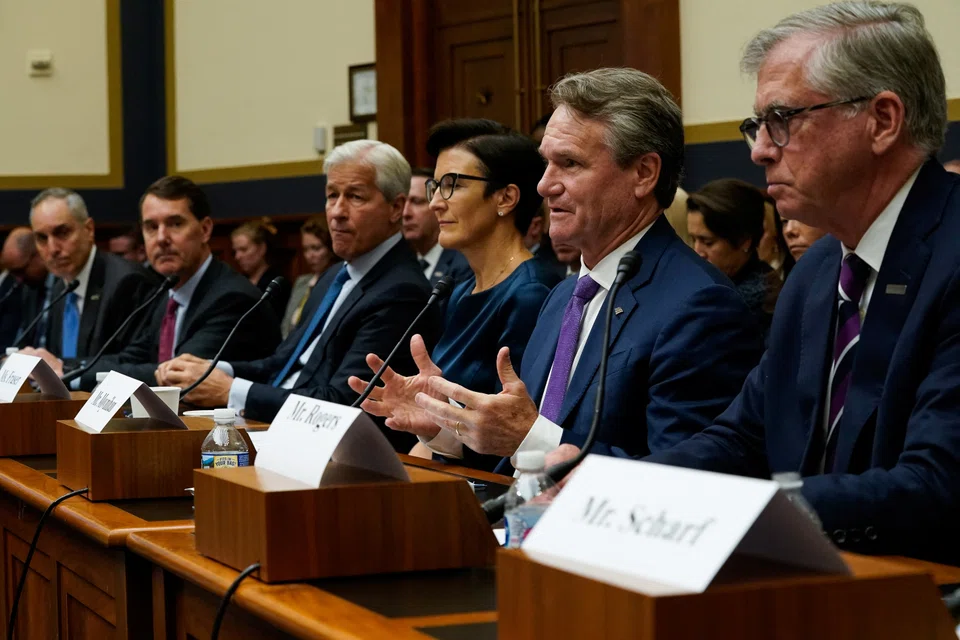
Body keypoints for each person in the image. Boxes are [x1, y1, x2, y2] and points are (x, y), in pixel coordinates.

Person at [637, 1, 960, 566]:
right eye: (755, 125)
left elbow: (936, 486)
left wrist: (744, 513)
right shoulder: (816, 271)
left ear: (882, 120)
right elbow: (743, 436)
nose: (759, 149)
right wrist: (621, 490)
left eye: (781, 120)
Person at [398, 68, 762, 466]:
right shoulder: (564, 295)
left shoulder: (699, 306)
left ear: (643, 173)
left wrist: (532, 438)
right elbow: (519, 449)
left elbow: (681, 479)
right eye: (546, 163)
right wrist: (449, 427)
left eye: (569, 163)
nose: (544, 185)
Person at [158, 140, 442, 452]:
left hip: (334, 454)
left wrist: (232, 391)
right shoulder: (334, 276)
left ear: (395, 208)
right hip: (277, 429)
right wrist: (214, 371)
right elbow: (284, 362)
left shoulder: (400, 291)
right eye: (332, 195)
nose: (336, 212)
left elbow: (343, 403)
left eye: (355, 197)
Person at [347, 119, 562, 470]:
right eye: (435, 186)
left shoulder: (532, 294)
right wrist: (434, 425)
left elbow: (513, 438)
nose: (435, 203)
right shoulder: (460, 291)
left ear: (505, 198)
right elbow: (459, 435)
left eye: (452, 185)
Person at [74, 176, 280, 390]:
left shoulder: (232, 298)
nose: (161, 238)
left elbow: (178, 376)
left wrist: (79, 377)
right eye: (151, 227)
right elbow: (132, 357)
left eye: (175, 224)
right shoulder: (168, 292)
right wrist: (66, 367)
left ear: (205, 230)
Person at [16, 189, 154, 374]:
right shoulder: (61, 286)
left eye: (62, 233)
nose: (53, 248)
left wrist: (65, 367)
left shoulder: (127, 282)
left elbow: (133, 361)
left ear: (89, 229)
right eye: (42, 238)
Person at [687, 179, 778, 330]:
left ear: (744, 241)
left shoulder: (763, 301)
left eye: (708, 242)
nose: (697, 252)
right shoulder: (710, 286)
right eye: (693, 239)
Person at [402, 167, 471, 287]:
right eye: (402, 203)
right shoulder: (401, 263)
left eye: (417, 202)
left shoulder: (464, 264)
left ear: (437, 207)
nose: (405, 213)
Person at [281, 216, 340, 338]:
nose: (309, 255)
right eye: (305, 249)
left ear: (330, 248)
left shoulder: (339, 283)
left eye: (316, 248)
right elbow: (285, 326)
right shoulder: (301, 282)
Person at [231, 218, 291, 319]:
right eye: (235, 251)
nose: (238, 257)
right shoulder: (238, 281)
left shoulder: (277, 282)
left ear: (262, 248)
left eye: (243, 249)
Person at [0, 228, 48, 349]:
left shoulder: (63, 284)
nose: (19, 279)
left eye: (21, 271)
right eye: (13, 273)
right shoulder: (28, 288)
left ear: (38, 254)